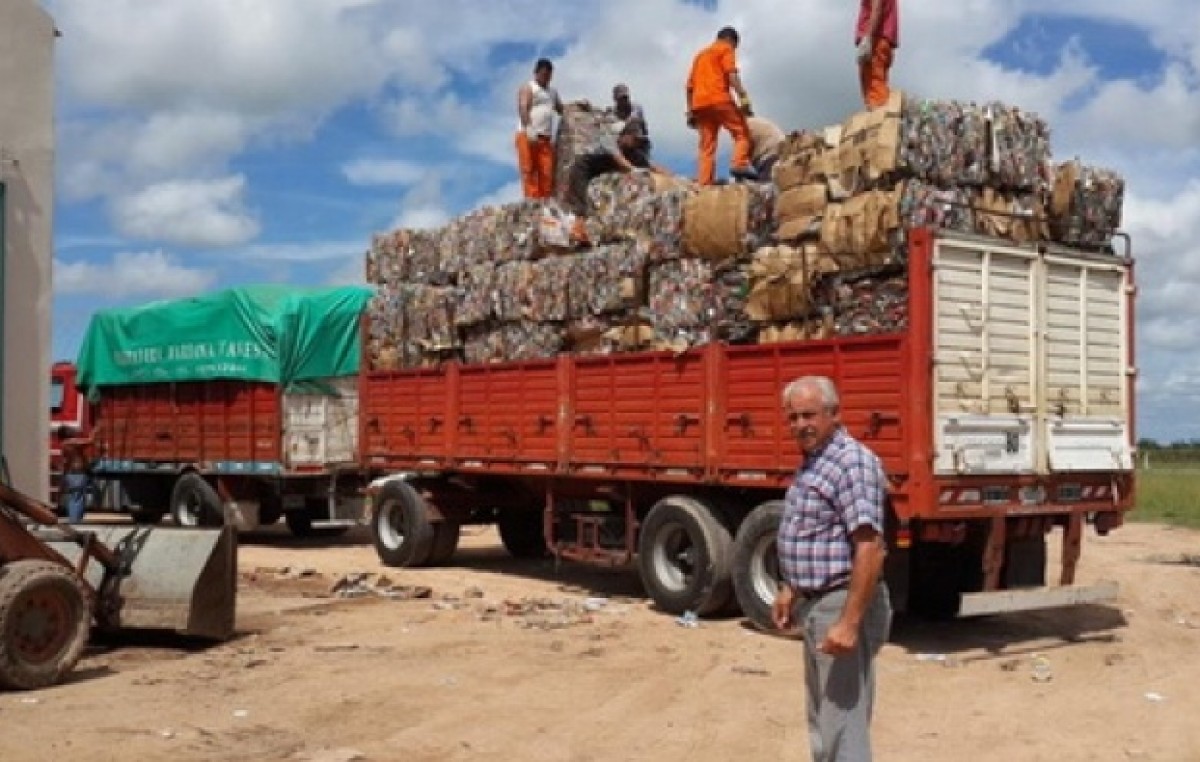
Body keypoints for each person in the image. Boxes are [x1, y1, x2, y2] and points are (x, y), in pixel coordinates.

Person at [772, 375, 892, 762]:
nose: (799, 425)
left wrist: (849, 621)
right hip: (817, 603)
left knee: (842, 727)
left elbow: (870, 547)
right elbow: (814, 533)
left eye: (809, 415)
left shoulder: (851, 463)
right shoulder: (816, 463)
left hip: (839, 603)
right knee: (824, 721)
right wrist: (791, 587)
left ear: (834, 414)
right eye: (792, 417)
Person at [566, 121, 670, 245]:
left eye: (638, 140)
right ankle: (577, 234)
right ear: (625, 135)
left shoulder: (630, 150)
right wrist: (636, 171)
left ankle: (589, 235)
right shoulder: (608, 140)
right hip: (582, 171)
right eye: (634, 139)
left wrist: (671, 177)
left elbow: (650, 165)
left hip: (597, 178)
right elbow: (620, 160)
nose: (636, 143)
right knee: (584, 205)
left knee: (601, 207)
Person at [685, 26, 756, 185]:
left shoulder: (700, 55)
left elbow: (689, 87)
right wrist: (743, 98)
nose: (734, 49)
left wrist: (690, 111)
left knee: (706, 147)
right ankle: (739, 163)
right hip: (719, 99)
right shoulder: (725, 48)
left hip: (699, 105)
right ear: (731, 40)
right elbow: (731, 75)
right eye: (735, 46)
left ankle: (704, 184)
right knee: (742, 133)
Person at [516, 57, 564, 199]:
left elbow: (561, 109)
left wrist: (577, 106)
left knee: (546, 172)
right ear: (536, 73)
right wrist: (528, 127)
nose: (546, 78)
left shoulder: (552, 92)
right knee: (529, 170)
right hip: (528, 135)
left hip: (545, 138)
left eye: (549, 75)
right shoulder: (529, 87)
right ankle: (532, 202)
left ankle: (545, 202)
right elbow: (523, 107)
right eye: (543, 74)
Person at [855, 0, 899, 109]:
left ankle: (881, 121)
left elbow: (877, 8)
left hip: (876, 42)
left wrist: (868, 38)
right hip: (881, 42)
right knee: (877, 88)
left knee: (875, 94)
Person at [61, 443, 93, 525]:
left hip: (72, 476)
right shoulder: (78, 456)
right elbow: (84, 467)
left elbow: (65, 468)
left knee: (75, 498)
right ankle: (75, 519)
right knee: (77, 498)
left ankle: (75, 518)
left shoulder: (70, 455)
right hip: (78, 476)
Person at [746, 115, 785, 179]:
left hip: (769, 158)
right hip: (781, 154)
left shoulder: (745, 124)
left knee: (764, 186)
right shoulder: (759, 121)